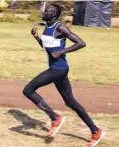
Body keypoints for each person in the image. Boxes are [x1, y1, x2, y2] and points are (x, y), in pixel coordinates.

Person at [23, 4, 106, 147]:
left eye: (48, 10)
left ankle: (55, 118)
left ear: (54, 14)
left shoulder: (60, 27)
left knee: (28, 90)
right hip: (58, 69)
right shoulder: (47, 28)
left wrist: (62, 52)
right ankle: (95, 130)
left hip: (58, 70)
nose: (44, 11)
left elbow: (81, 43)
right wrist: (37, 37)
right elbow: (48, 47)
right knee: (70, 102)